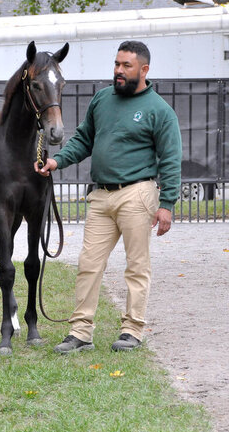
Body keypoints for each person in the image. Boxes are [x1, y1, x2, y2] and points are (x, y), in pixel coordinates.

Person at [35, 40, 182, 354]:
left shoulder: (159, 110)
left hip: (138, 194)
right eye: (117, 64)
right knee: (88, 264)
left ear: (143, 69)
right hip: (101, 196)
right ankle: (80, 333)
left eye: (126, 65)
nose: (118, 70)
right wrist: (56, 161)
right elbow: (84, 140)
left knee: (136, 267)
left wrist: (167, 204)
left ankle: (132, 330)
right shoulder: (102, 99)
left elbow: (170, 159)